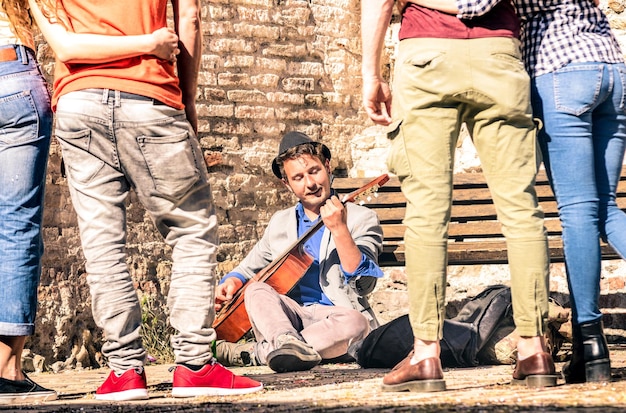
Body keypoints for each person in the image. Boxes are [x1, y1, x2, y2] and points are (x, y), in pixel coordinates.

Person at [33, 0, 263, 400]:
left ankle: (125, 372)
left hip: (78, 102)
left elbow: (63, 44)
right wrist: (188, 100)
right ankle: (194, 366)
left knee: (101, 244)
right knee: (191, 230)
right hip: (149, 98)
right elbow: (189, 17)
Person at [360, 0, 558, 392]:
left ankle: (426, 355)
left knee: (426, 212)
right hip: (498, 51)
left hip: (426, 53)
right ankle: (535, 350)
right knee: (521, 207)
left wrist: (371, 74)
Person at [1, 0, 181, 404]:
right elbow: (64, 44)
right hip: (11, 74)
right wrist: (151, 42)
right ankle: (6, 371)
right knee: (16, 227)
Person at [515, 0, 625, 383]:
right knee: (605, 210)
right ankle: (584, 348)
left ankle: (592, 346)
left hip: (559, 71)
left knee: (578, 212)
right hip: (612, 68)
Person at [214, 131, 384, 373]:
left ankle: (257, 352)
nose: (311, 184)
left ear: (327, 166)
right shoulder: (280, 222)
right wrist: (231, 281)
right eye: (298, 177)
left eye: (314, 171)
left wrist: (339, 229)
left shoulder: (361, 218)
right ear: (287, 184)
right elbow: (246, 269)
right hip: (290, 317)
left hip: (338, 318)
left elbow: (364, 285)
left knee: (356, 324)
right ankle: (286, 342)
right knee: (255, 289)